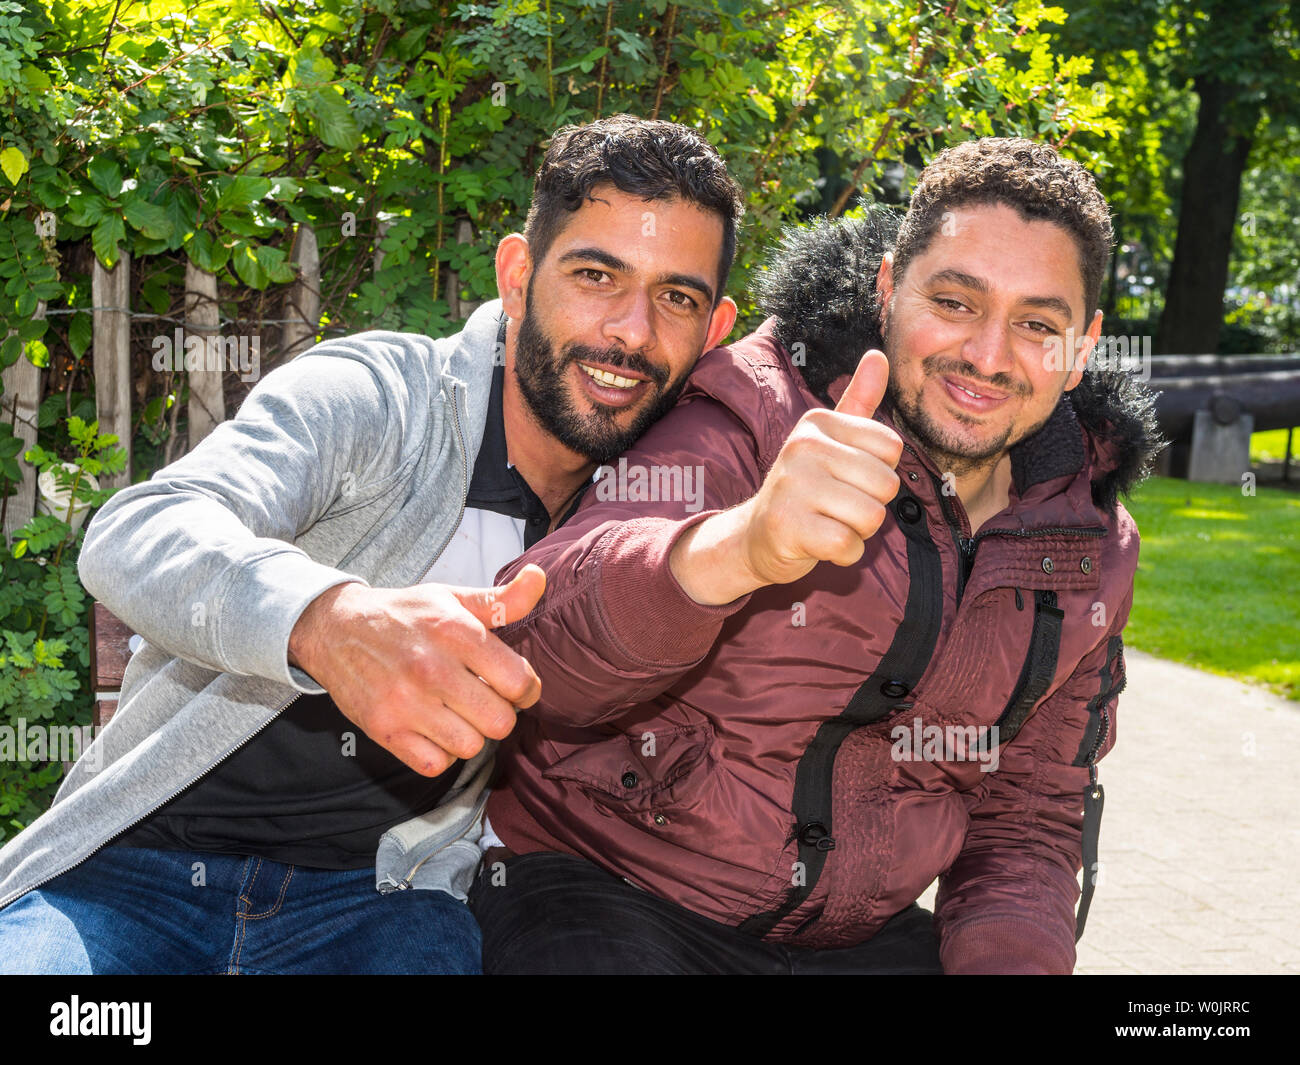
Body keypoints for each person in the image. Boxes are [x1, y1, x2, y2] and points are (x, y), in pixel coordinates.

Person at [0, 114, 742, 974]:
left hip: (381, 904)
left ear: (713, 328)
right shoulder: (380, 399)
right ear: (517, 274)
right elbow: (139, 528)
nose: (630, 331)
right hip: (132, 877)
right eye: (595, 274)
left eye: (676, 298)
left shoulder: (659, 501)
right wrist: (329, 621)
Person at [471, 137, 1163, 974]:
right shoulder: (753, 412)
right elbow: (530, 640)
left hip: (855, 940)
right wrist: (742, 546)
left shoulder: (1090, 542)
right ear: (887, 287)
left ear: (1082, 345)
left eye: (1036, 324)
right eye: (954, 301)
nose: (986, 354)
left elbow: (1029, 811)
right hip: (609, 890)